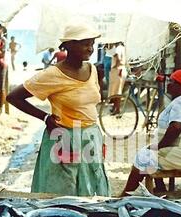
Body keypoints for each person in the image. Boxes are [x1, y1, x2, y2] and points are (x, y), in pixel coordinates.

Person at [7, 22, 110, 197]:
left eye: (92, 43)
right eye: (85, 43)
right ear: (69, 45)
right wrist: (46, 118)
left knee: (91, 190)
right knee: (63, 192)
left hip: (91, 137)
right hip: (65, 137)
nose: (91, 48)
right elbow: (13, 97)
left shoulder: (93, 70)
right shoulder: (52, 74)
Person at [120, 69, 181, 196]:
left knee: (142, 157)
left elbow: (176, 127)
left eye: (172, 82)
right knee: (150, 152)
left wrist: (159, 145)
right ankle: (161, 189)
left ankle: (125, 195)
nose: (168, 84)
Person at [108, 42, 128, 115]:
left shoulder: (118, 48)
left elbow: (118, 58)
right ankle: (115, 108)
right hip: (121, 69)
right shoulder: (123, 48)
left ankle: (117, 109)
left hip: (118, 69)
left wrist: (115, 66)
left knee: (117, 91)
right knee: (117, 91)